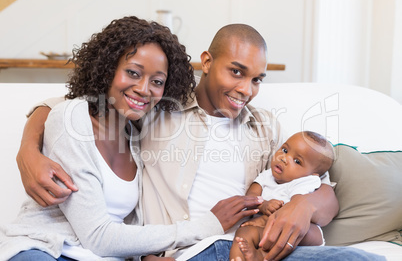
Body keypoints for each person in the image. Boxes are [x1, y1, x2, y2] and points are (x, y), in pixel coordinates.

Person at [15, 23, 384, 261]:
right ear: (206, 61)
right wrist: (28, 150)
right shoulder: (157, 108)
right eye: (236, 72)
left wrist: (303, 207)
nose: (245, 89)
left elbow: (317, 183)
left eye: (257, 80)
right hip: (186, 250)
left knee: (363, 260)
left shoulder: (266, 128)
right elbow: (77, 104)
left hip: (245, 246)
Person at [0, 16, 261, 261]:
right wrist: (28, 150)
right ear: (107, 69)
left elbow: (125, 230)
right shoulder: (73, 117)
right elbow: (98, 236)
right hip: (45, 249)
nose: (143, 89)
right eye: (133, 73)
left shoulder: (137, 135)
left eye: (157, 81)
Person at [229, 131, 335, 261]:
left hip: (300, 234)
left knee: (306, 231)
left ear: (311, 175)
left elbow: (294, 209)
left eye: (297, 161)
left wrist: (265, 219)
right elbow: (251, 197)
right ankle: (238, 258)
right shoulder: (266, 175)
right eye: (284, 150)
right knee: (243, 233)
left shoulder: (303, 182)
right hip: (265, 231)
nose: (283, 158)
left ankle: (261, 255)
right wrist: (264, 205)